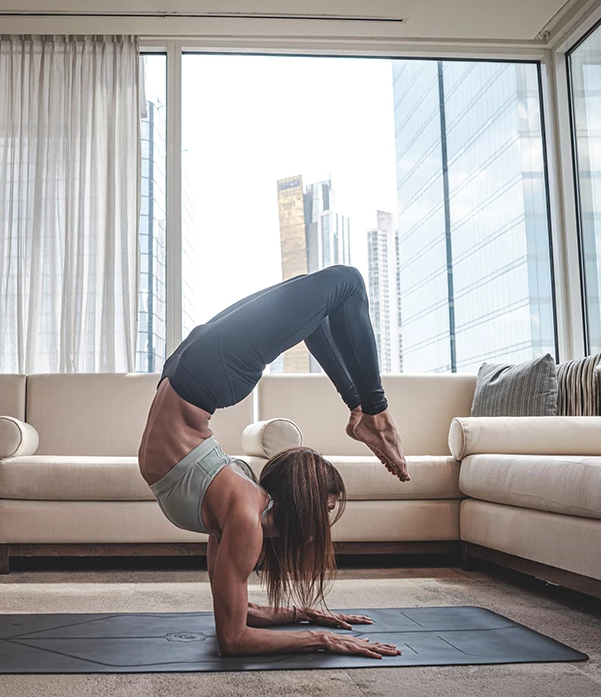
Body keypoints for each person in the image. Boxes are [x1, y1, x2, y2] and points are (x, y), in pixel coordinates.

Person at [137, 265, 409, 659]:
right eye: (326, 506)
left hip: (194, 372)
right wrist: (321, 638)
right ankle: (374, 412)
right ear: (303, 499)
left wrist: (304, 614)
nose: (325, 518)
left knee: (320, 304)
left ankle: (360, 408)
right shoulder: (244, 516)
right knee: (344, 282)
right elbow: (234, 639)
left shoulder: (242, 513)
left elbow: (240, 615)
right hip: (200, 373)